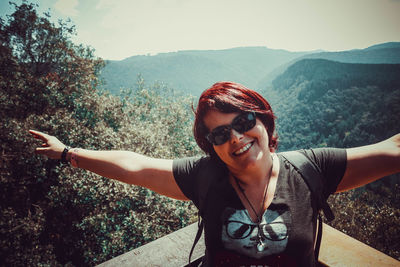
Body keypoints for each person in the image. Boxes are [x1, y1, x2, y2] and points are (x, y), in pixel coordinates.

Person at [30, 81, 400, 266]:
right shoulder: (205, 175)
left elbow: (392, 149)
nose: (237, 137)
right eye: (221, 133)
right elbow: (137, 165)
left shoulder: (311, 169)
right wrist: (67, 153)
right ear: (211, 146)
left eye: (244, 120)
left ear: (264, 120)